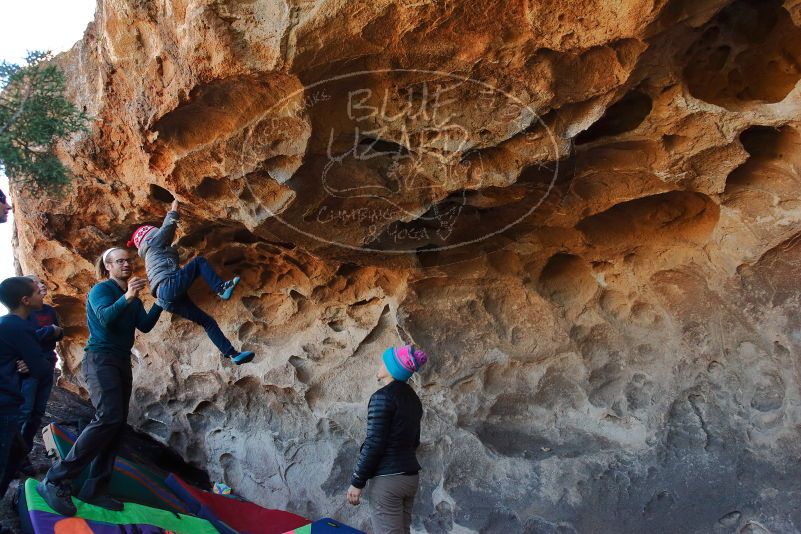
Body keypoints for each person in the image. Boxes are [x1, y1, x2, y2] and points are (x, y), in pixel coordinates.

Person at [37, 248, 163, 516]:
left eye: (129, 260)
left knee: (116, 424)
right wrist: (128, 296)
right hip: (99, 359)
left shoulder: (133, 298)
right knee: (108, 417)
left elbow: (146, 325)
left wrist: (163, 301)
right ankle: (56, 479)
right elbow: (105, 319)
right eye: (120, 261)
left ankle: (95, 489)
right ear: (108, 267)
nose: (127, 264)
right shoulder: (101, 291)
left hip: (119, 361)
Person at [127, 199, 254, 364]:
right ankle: (221, 288)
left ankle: (232, 354)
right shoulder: (152, 243)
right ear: (150, 236)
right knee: (199, 262)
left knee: (207, 322)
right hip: (168, 286)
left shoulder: (150, 254)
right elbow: (167, 228)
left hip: (166, 299)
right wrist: (173, 209)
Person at [347, 344, 428, 534]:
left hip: (388, 482)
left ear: (392, 368)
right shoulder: (413, 399)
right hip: (410, 478)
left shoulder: (382, 397)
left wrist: (357, 481)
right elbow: (414, 441)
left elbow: (374, 443)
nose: (380, 364)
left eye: (385, 361)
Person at [0, 277, 56, 498]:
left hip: (6, 402)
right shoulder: (18, 328)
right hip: (5, 405)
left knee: (18, 452)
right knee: (4, 462)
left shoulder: (7, 324)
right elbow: (41, 368)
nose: (41, 293)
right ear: (25, 300)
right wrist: (28, 362)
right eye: (36, 291)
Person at [17, 275, 62, 472]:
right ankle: (12, 458)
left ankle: (21, 456)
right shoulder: (23, 314)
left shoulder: (49, 310)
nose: (42, 285)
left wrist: (55, 331)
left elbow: (60, 332)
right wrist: (49, 331)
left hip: (47, 365)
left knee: (36, 415)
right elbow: (25, 339)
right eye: (36, 284)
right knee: (23, 413)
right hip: (29, 369)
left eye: (42, 282)